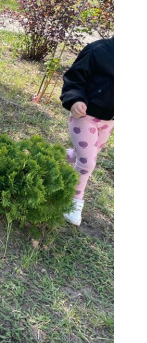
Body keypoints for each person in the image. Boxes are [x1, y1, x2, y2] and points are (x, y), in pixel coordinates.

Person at [59, 37, 114, 226]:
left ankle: (54, 155)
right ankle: (73, 201)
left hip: (108, 121)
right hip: (85, 117)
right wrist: (75, 99)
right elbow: (74, 78)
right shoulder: (97, 50)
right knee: (87, 162)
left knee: (80, 155)